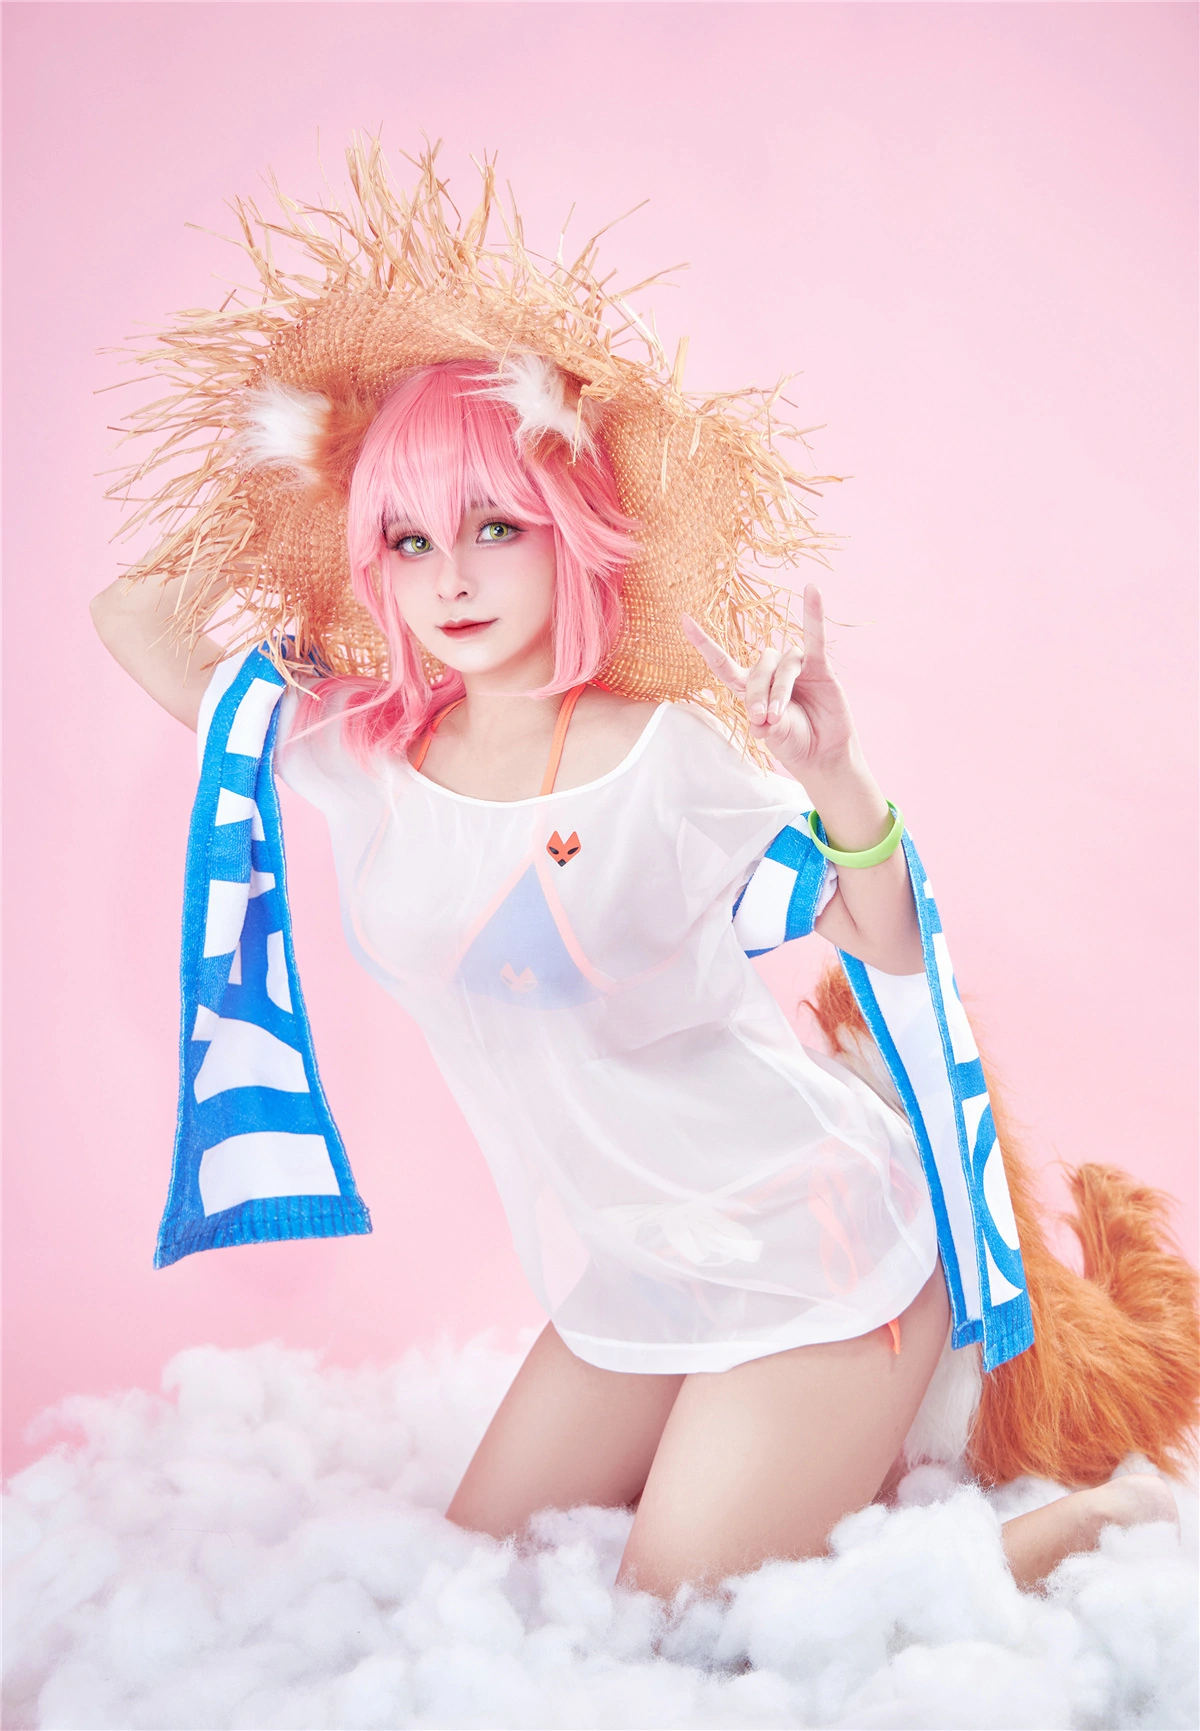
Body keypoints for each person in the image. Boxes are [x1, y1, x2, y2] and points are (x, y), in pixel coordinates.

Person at [91, 141, 1195, 1604]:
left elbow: (887, 941)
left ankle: (1100, 1515)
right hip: (633, 1273)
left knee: (689, 1633)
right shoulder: (360, 753)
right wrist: (313, 457)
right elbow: (134, 615)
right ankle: (793, 1470)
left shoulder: (665, 757)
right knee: (478, 1582)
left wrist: (837, 777)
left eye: (496, 525)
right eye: (409, 540)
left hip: (810, 1251)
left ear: (571, 536)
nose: (453, 576)